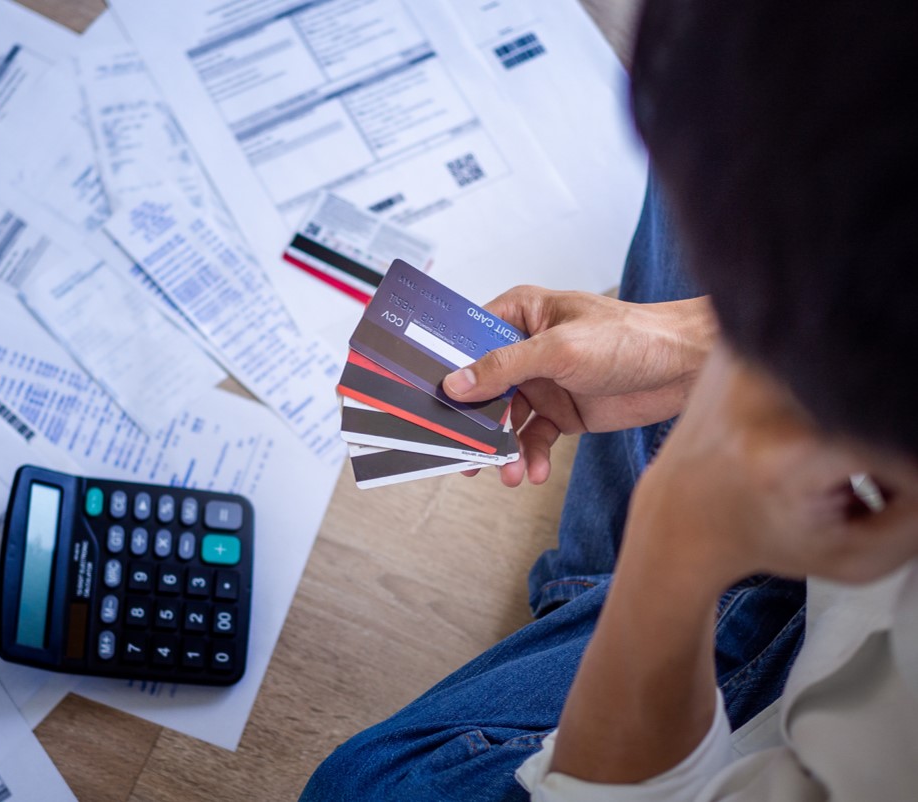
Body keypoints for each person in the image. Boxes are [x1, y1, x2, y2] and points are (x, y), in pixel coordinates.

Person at [300, 0, 918, 798]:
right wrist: (686, 342)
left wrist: (678, 541)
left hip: (812, 677)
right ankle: (587, 637)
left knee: (366, 788)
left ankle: (598, 622)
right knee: (732, 115)